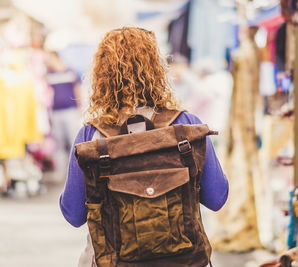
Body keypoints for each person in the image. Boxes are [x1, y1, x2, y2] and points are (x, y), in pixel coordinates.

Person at [59, 27, 229, 266]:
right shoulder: (186, 125)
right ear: (157, 69)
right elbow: (217, 197)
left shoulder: (90, 136)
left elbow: (73, 214)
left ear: (101, 76)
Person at [45, 50, 81, 180]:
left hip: (70, 111)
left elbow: (77, 90)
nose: (47, 61)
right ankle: (60, 171)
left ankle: (77, 171)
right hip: (55, 113)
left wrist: (79, 108)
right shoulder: (49, 74)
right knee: (58, 143)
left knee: (73, 141)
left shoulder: (70, 72)